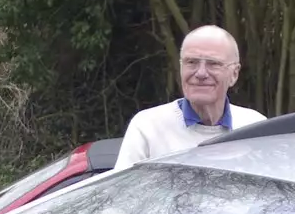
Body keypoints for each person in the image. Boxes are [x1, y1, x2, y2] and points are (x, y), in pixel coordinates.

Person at [112, 25, 266, 170]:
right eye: (191, 62)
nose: (200, 73)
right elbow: (122, 194)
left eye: (213, 64)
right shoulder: (148, 127)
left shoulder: (256, 128)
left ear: (234, 74)